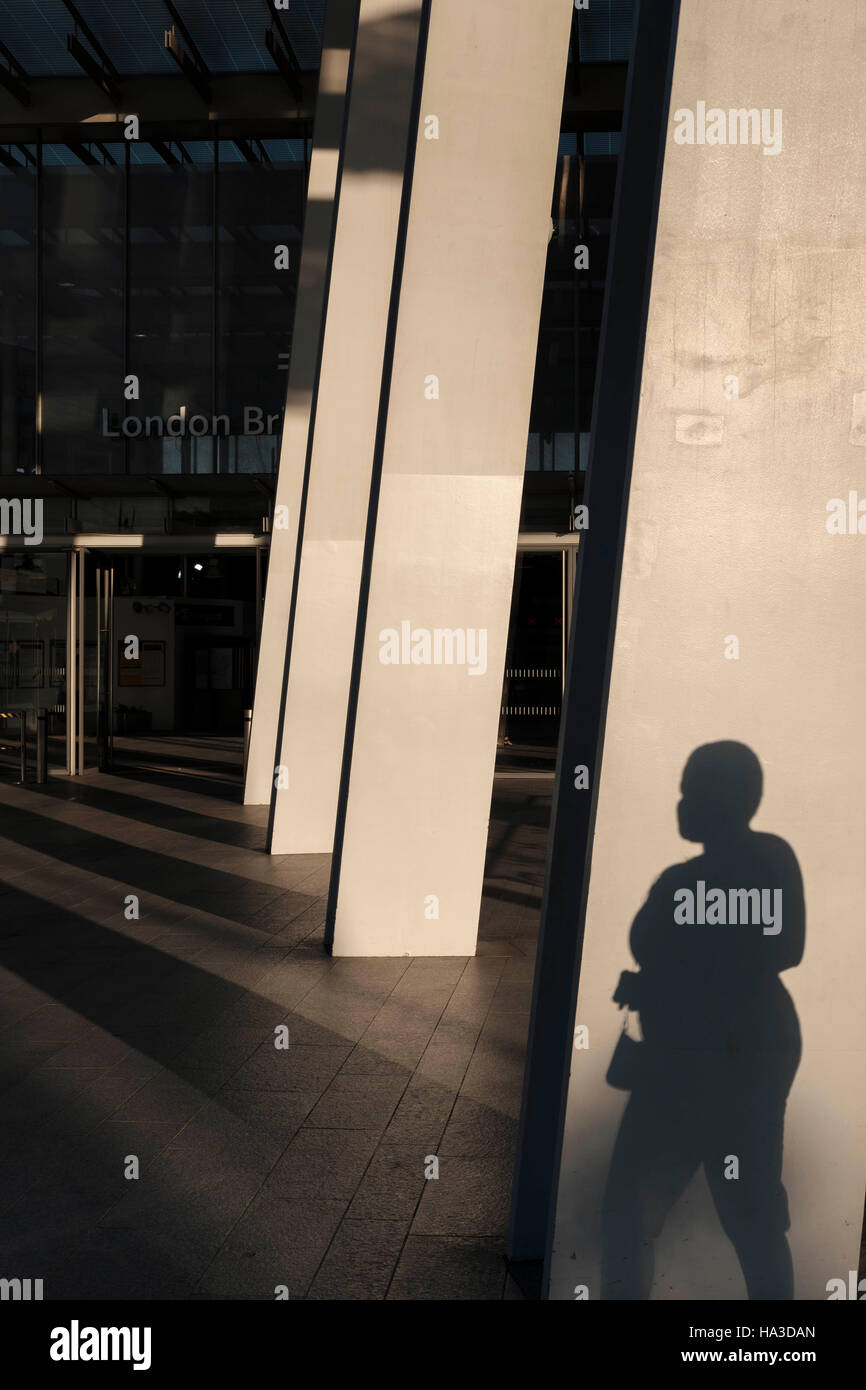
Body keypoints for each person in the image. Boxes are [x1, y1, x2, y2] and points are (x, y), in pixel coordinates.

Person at [601, 742, 804, 1300]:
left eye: (691, 789)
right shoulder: (750, 866)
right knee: (748, 1209)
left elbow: (783, 946)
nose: (682, 802)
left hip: (715, 1059)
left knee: (647, 1206)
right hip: (728, 1054)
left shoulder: (739, 868)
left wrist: (673, 977)